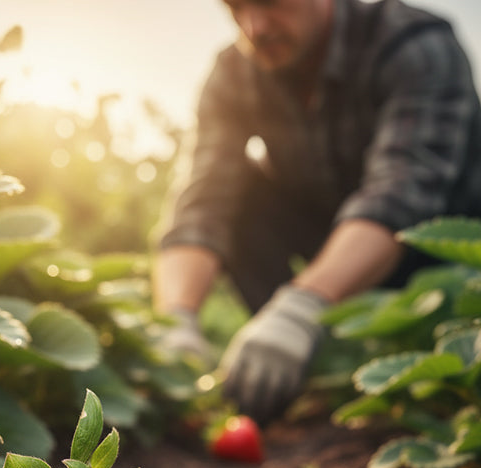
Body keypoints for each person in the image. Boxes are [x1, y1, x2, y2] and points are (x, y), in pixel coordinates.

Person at [154, 0, 481, 425]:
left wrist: (302, 306)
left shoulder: (412, 44)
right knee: (238, 193)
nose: (255, 27)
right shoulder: (235, 73)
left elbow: (401, 194)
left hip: (441, 261)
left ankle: (324, 335)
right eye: (237, 8)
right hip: (335, 248)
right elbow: (202, 200)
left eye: (273, 4)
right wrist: (175, 319)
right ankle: (301, 366)